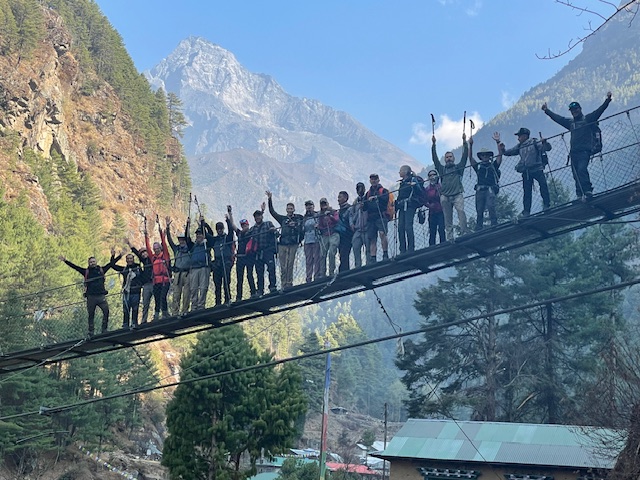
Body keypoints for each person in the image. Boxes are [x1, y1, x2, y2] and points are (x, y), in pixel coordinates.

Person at [542, 92, 612, 199]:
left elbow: (599, 111)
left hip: (584, 151)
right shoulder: (570, 123)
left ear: (580, 109)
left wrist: (607, 100)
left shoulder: (588, 119)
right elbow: (558, 118)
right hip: (573, 153)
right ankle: (579, 194)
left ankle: (587, 190)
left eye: (576, 109)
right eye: (572, 110)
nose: (574, 112)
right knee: (575, 174)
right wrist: (547, 111)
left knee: (582, 169)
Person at [60, 249, 116, 336]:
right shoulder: (86, 272)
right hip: (91, 297)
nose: (92, 263)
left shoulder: (101, 270)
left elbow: (111, 264)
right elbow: (75, 267)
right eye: (91, 262)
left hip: (101, 296)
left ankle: (104, 329)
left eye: (93, 261)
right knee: (91, 314)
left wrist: (113, 256)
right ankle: (91, 332)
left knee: (106, 311)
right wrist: (65, 261)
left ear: (96, 262)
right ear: (88, 263)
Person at [500, 127, 551, 217]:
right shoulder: (520, 146)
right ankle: (527, 211)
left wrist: (545, 142)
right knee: (528, 191)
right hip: (527, 171)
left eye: (519, 136)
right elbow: (509, 152)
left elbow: (546, 148)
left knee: (542, 186)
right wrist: (503, 150)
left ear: (524, 136)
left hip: (537, 168)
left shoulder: (535, 142)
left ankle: (546, 205)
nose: (518, 138)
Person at [431, 133, 469, 240]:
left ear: (454, 158)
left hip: (457, 194)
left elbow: (465, 156)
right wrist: (433, 144)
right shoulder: (442, 169)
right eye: (447, 157)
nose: (448, 159)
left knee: (461, 212)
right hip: (445, 196)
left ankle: (464, 231)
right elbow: (435, 159)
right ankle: (450, 237)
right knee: (447, 217)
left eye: (450, 157)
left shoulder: (459, 167)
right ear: (445, 159)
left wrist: (464, 142)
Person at [266, 191, 303, 289]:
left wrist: (295, 227)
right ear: (286, 209)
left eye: (291, 208)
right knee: (283, 266)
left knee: (290, 264)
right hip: (282, 244)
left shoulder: (298, 218)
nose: (290, 210)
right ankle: (283, 284)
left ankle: (289, 283)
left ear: (294, 209)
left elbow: (301, 230)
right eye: (288, 208)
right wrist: (269, 199)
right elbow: (272, 212)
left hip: (293, 244)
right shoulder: (282, 219)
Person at [469, 135, 502, 230]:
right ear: (480, 157)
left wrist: (498, 142)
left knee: (491, 206)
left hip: (490, 189)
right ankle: (479, 226)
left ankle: (494, 224)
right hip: (480, 190)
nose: (485, 156)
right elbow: (470, 158)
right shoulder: (478, 166)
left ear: (489, 156)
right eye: (483, 155)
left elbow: (500, 156)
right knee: (479, 209)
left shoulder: (493, 165)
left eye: (487, 155)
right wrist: (470, 145)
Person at [145, 218, 172, 320]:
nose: (156, 250)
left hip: (165, 280)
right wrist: (146, 236)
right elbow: (148, 248)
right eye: (155, 249)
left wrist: (161, 231)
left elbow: (164, 243)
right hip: (156, 281)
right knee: (157, 298)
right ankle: (156, 315)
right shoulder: (153, 258)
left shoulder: (165, 255)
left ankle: (165, 313)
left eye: (157, 248)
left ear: (160, 248)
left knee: (163, 297)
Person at [166, 216, 192, 315]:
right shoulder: (176, 249)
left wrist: (188, 225)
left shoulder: (190, 248)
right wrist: (167, 228)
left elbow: (188, 236)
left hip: (187, 273)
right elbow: (169, 241)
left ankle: (185, 311)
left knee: (186, 294)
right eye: (180, 239)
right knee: (176, 294)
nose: (181, 241)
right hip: (177, 274)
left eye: (183, 239)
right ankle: (175, 312)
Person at [111, 251, 144, 328]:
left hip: (136, 291)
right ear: (126, 260)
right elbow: (112, 265)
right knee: (126, 309)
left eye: (131, 258)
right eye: (128, 259)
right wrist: (115, 256)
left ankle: (134, 323)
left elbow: (143, 275)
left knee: (135, 308)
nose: (129, 260)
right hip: (127, 292)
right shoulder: (124, 269)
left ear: (133, 259)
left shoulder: (138, 268)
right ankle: (125, 325)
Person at [229, 213, 257, 301]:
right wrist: (230, 213)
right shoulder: (239, 233)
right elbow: (232, 225)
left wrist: (262, 211)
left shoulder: (251, 232)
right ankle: (239, 296)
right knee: (239, 278)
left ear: (248, 225)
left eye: (245, 225)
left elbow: (257, 225)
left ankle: (253, 292)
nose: (244, 227)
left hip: (249, 257)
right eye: (242, 226)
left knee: (249, 275)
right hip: (240, 258)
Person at [189, 217, 215, 310]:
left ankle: (201, 305)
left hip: (204, 267)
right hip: (194, 268)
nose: (198, 236)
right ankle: (194, 306)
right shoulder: (193, 245)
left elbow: (211, 234)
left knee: (203, 287)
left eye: (200, 234)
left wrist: (204, 223)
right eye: (197, 234)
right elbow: (187, 238)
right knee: (193, 288)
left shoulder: (207, 244)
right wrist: (188, 224)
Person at [363, 173, 390, 262]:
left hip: (381, 215)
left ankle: (385, 254)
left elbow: (385, 200)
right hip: (371, 218)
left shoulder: (384, 191)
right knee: (372, 238)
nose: (373, 181)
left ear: (378, 180)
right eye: (372, 179)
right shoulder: (367, 194)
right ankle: (373, 257)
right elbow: (364, 207)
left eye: (375, 179)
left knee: (382, 234)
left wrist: (377, 198)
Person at [396, 165, 423, 253]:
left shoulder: (413, 180)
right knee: (400, 227)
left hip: (410, 205)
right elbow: (400, 195)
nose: (399, 172)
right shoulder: (403, 183)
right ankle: (402, 249)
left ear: (405, 172)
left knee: (408, 226)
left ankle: (410, 248)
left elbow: (419, 191)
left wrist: (414, 186)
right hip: (402, 206)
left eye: (400, 171)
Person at [126, 238, 153, 324]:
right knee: (145, 303)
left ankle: (157, 316)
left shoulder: (152, 259)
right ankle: (144, 320)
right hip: (146, 284)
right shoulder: (144, 261)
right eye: (142, 253)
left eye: (145, 252)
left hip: (154, 282)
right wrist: (130, 245)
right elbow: (137, 253)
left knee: (158, 300)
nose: (144, 254)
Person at [251, 208, 278, 296]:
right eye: (256, 217)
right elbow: (245, 236)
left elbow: (276, 233)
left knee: (271, 269)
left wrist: (273, 230)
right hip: (258, 253)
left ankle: (272, 287)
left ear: (262, 216)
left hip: (268, 250)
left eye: (259, 216)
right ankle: (260, 290)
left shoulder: (268, 224)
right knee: (259, 272)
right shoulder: (253, 229)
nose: (257, 218)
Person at [210, 214, 234, 306]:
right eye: (218, 229)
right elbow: (207, 235)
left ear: (223, 229)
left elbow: (231, 231)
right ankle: (218, 302)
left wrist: (228, 221)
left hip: (226, 261)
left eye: (221, 229)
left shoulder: (227, 238)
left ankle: (227, 299)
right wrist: (203, 224)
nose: (219, 230)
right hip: (217, 262)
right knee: (217, 283)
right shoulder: (215, 240)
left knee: (226, 282)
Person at [317, 197, 340, 277]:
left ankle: (331, 272)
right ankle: (322, 273)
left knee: (331, 253)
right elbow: (320, 225)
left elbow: (336, 220)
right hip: (325, 235)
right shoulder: (320, 214)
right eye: (322, 204)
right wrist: (318, 226)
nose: (323, 205)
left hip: (333, 234)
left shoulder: (333, 211)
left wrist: (330, 216)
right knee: (322, 254)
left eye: (325, 203)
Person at [350, 182, 369, 268]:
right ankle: (358, 266)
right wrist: (351, 224)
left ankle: (369, 264)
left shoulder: (367, 199)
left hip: (367, 228)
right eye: (358, 189)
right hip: (357, 229)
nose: (360, 190)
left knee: (368, 248)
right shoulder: (355, 202)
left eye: (361, 188)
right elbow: (351, 214)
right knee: (355, 247)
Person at [302, 200, 322, 283]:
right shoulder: (304, 218)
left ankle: (317, 276)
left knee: (317, 258)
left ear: (313, 206)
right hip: (307, 240)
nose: (308, 207)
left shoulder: (317, 215)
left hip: (316, 239)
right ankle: (308, 277)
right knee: (309, 259)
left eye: (310, 205)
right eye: (307, 206)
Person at [424, 170, 446, 245]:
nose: (432, 176)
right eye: (430, 175)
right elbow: (424, 200)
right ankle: (432, 246)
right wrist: (429, 205)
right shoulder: (427, 189)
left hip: (441, 211)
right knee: (432, 231)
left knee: (441, 229)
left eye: (434, 174)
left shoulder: (441, 187)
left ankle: (443, 244)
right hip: (432, 212)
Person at [337, 191, 353, 272]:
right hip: (341, 235)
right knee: (342, 253)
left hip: (347, 234)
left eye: (340, 197)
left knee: (344, 253)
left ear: (345, 198)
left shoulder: (349, 209)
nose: (338, 199)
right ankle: (344, 270)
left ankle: (344, 271)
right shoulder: (339, 211)